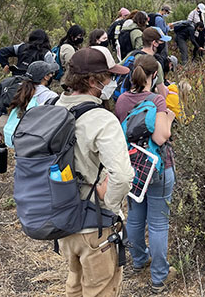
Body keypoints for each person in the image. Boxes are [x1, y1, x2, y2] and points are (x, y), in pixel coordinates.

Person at [56, 47, 135, 296]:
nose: (112, 82)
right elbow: (122, 176)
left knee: (75, 285)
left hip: (63, 220)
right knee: (101, 288)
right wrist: (108, 201)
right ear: (93, 81)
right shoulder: (101, 119)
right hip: (95, 225)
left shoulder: (55, 107)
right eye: (109, 77)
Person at [115, 55, 177, 293]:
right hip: (158, 166)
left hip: (132, 166)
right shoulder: (157, 100)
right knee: (159, 224)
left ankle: (139, 261)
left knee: (136, 214)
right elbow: (161, 136)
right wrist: (169, 117)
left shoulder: (121, 100)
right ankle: (159, 277)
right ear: (154, 76)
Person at [3, 61, 59, 147]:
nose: (52, 75)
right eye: (50, 73)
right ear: (46, 77)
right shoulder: (50, 96)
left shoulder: (21, 88)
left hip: (15, 137)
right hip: (32, 142)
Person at [120, 27, 171, 98]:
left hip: (125, 97)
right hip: (144, 102)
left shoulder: (133, 54)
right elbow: (162, 92)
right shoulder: (155, 64)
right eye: (161, 42)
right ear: (154, 43)